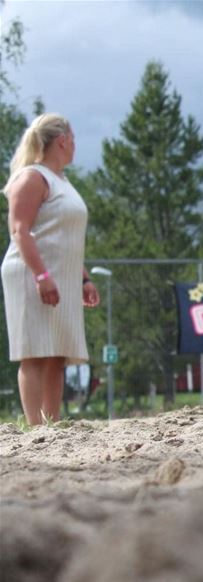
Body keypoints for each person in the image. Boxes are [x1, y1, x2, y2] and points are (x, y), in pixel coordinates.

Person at [2, 114, 99, 425]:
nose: (74, 146)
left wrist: (83, 278)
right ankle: (35, 426)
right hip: (31, 273)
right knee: (35, 351)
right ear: (63, 140)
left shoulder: (64, 183)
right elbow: (20, 230)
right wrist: (41, 276)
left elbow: (64, 239)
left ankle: (52, 423)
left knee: (57, 352)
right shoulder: (30, 177)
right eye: (73, 139)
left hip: (64, 276)